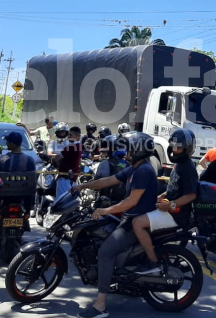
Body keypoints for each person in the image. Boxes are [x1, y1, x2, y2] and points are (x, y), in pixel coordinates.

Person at [71, 132, 159, 318]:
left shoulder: (144, 170)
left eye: (129, 148)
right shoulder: (134, 168)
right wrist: (83, 186)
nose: (125, 151)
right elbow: (109, 180)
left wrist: (106, 210)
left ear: (138, 150)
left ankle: (101, 305)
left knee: (105, 252)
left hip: (135, 221)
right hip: (129, 218)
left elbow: (131, 201)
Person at [131, 128, 198, 275]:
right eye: (173, 146)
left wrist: (170, 204)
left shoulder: (187, 167)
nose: (175, 150)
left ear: (187, 149)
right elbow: (175, 188)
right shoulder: (179, 165)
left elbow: (191, 195)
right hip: (169, 209)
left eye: (179, 147)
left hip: (176, 215)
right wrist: (162, 195)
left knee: (137, 223)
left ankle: (153, 263)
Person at [94, 134, 128, 202]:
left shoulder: (105, 163)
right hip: (125, 203)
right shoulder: (129, 164)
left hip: (107, 203)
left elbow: (96, 183)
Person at [53, 126, 82, 200]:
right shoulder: (79, 146)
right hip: (72, 179)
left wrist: (55, 161)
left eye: (71, 135)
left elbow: (56, 159)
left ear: (78, 136)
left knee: (61, 201)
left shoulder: (71, 147)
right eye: (68, 134)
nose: (69, 136)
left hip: (65, 179)